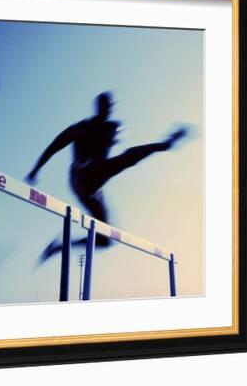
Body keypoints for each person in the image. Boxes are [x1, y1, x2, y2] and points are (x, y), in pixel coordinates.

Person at [25, 91, 187, 262]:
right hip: (81, 177)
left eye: (111, 107)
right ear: (99, 107)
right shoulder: (80, 128)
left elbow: (124, 145)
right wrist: (36, 169)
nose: (109, 111)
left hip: (94, 189)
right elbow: (54, 147)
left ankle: (59, 247)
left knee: (105, 240)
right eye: (106, 107)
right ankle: (165, 144)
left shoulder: (113, 127)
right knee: (123, 159)